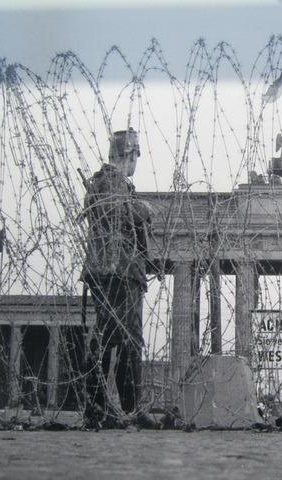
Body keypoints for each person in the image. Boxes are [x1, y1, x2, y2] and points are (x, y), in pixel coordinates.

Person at [81, 128, 154, 428]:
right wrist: (143, 209)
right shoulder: (110, 181)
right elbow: (115, 211)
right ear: (130, 154)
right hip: (117, 271)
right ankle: (119, 408)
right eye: (136, 154)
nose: (137, 160)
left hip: (116, 269)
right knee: (124, 339)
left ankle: (107, 408)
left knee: (115, 338)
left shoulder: (109, 182)